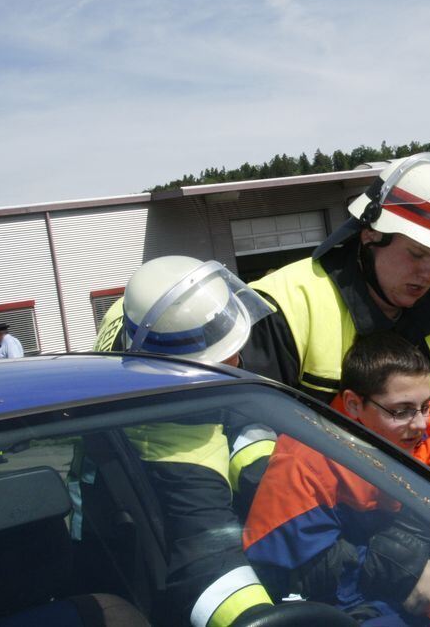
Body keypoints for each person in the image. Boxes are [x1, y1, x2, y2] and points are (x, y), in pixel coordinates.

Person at [77, 256, 280, 626]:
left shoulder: (131, 317)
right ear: (181, 373)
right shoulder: (181, 460)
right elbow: (211, 567)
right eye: (222, 357)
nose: (238, 361)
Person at [244, 332, 430, 624]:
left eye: (425, 405)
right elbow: (307, 571)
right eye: (402, 411)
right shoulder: (306, 461)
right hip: (361, 609)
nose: (422, 423)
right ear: (353, 405)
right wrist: (405, 570)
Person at [240, 152, 430, 415]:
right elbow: (252, 426)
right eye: (416, 254)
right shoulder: (286, 305)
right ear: (371, 234)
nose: (427, 274)